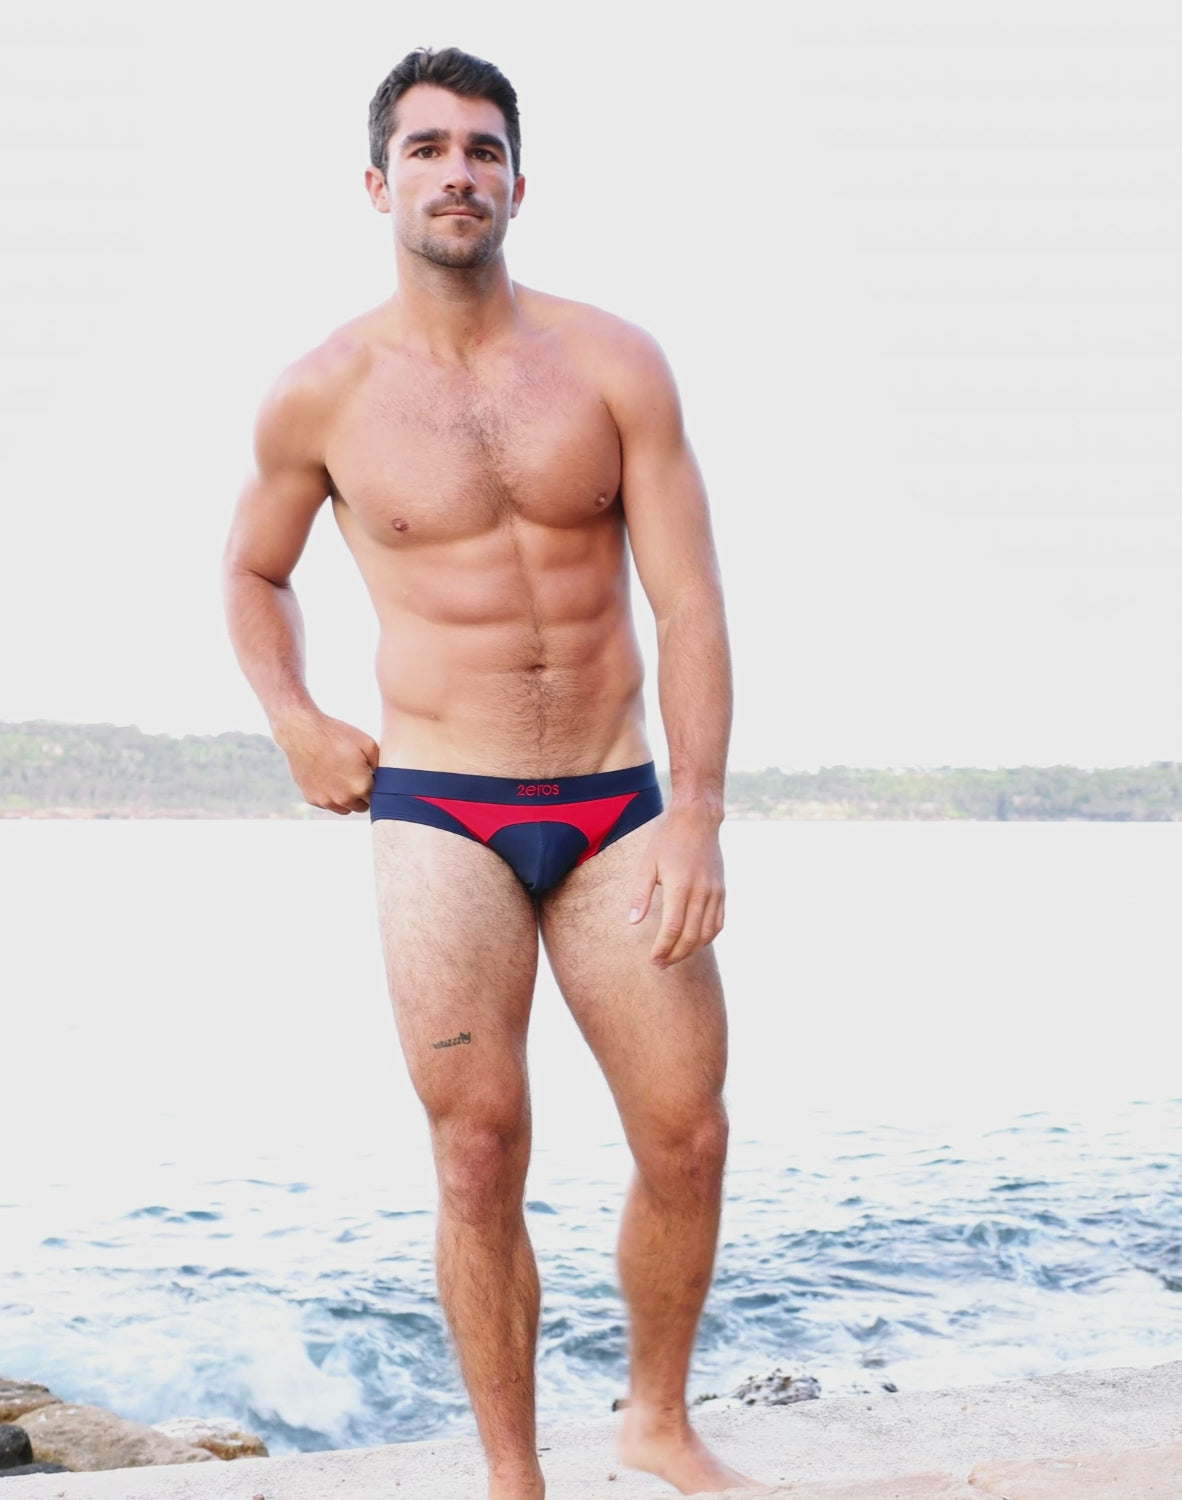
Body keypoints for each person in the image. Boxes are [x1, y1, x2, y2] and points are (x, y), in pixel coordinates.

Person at [223, 46, 760, 1500]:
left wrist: (699, 812)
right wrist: (295, 717)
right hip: (437, 810)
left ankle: (656, 1421)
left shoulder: (613, 364)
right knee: (477, 1152)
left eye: (481, 149)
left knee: (687, 1134)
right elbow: (253, 571)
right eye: (427, 149)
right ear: (377, 182)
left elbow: (690, 601)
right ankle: (514, 1479)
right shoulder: (320, 394)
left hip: (616, 801)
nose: (456, 173)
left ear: (520, 182)